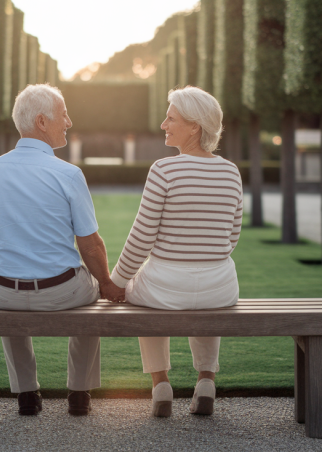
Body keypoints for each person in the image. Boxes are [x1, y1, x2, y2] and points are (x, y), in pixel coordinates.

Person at [0, 84, 125, 417]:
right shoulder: (68, 174)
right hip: (61, 292)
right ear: (42, 122)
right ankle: (79, 393)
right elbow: (90, 244)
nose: (69, 122)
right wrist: (106, 281)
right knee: (93, 293)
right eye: (64, 115)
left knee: (7, 285)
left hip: (0, 293)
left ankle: (27, 395)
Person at [110, 86, 243, 418]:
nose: (163, 124)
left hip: (166, 285)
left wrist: (116, 281)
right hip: (220, 287)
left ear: (194, 126)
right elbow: (233, 236)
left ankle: (161, 385)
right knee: (206, 294)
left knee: (139, 291)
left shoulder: (164, 170)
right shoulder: (231, 172)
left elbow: (141, 238)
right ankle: (207, 381)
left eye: (171, 118)